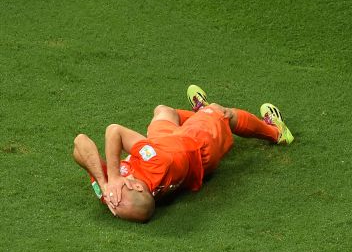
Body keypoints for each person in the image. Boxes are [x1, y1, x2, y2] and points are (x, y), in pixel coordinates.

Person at [72, 85, 293, 222]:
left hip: (164, 142)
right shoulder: (158, 166)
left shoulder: (113, 194)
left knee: (164, 111)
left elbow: (80, 143)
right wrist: (116, 178)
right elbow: (114, 131)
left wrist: (104, 181)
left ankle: (199, 114)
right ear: (138, 186)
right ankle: (276, 132)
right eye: (114, 200)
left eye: (112, 203)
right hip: (197, 146)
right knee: (219, 111)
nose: (112, 198)